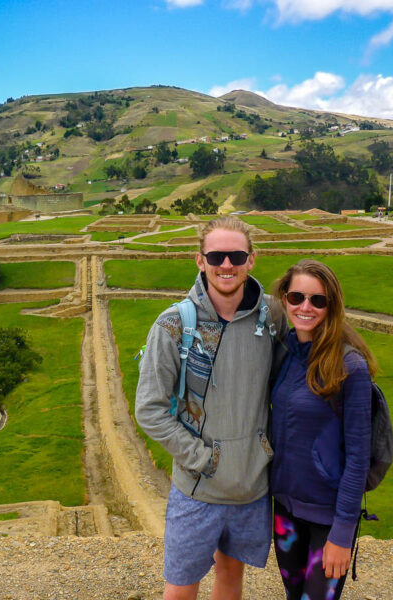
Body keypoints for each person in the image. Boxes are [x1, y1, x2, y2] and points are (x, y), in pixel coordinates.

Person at [135, 216, 287, 600]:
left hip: (251, 487)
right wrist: (203, 458)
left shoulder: (272, 317)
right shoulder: (173, 325)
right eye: (216, 255)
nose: (226, 265)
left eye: (236, 255)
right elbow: (150, 409)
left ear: (252, 260)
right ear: (200, 261)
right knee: (181, 589)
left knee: (231, 577)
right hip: (198, 488)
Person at [270, 259, 377, 600]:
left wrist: (343, 533)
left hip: (329, 517)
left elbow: (359, 456)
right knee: (293, 595)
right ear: (284, 299)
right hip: (285, 509)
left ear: (332, 305)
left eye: (318, 300)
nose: (305, 307)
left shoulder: (350, 367)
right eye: (297, 297)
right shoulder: (284, 351)